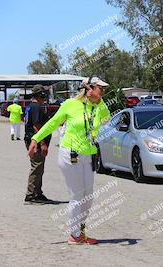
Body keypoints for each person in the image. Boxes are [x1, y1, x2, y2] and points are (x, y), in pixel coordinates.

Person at [28, 77, 110, 245]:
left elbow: (107, 119)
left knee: (89, 197)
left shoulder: (98, 107)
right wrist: (36, 139)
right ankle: (75, 235)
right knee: (77, 196)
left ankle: (80, 230)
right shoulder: (70, 104)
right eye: (100, 88)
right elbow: (53, 123)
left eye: (103, 89)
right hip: (70, 154)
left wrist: (99, 101)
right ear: (89, 88)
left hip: (88, 155)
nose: (102, 91)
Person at [24, 85, 52, 204]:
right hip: (35, 142)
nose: (45, 96)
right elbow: (36, 125)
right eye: (43, 94)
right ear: (40, 94)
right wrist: (42, 143)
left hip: (33, 140)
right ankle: (30, 195)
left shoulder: (31, 106)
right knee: (36, 168)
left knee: (39, 168)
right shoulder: (36, 107)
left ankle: (38, 193)